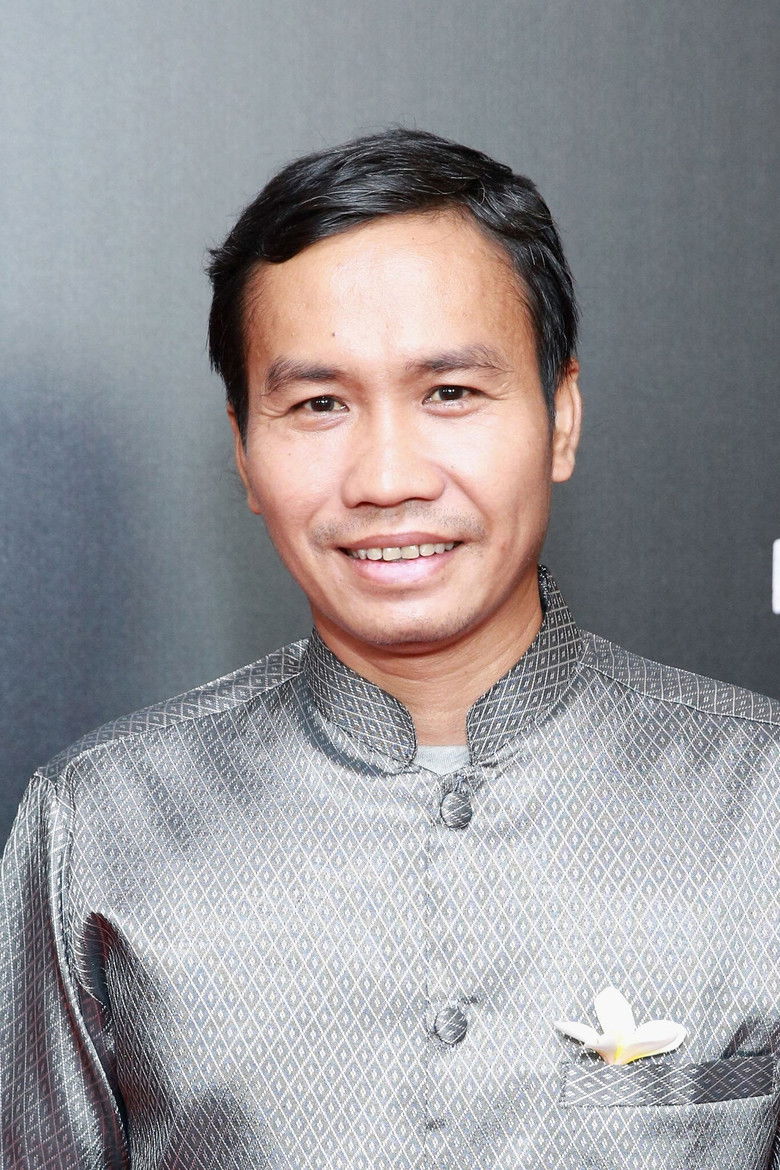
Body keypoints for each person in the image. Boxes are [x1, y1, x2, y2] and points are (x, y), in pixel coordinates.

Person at [1, 128, 778, 1169]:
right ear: (243, 451)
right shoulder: (100, 827)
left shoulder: (762, 807)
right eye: (319, 404)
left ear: (561, 416)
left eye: (450, 393)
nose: (387, 478)